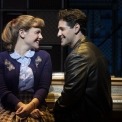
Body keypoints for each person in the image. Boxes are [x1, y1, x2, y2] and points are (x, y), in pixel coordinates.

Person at [53, 9, 112, 122]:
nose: (58, 34)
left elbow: (70, 94)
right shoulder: (93, 49)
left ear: (76, 28)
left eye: (62, 29)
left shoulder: (78, 55)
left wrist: (56, 110)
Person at [0, 15, 54, 122]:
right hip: (10, 107)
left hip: (37, 107)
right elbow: (3, 91)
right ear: (22, 33)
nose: (41, 36)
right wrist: (23, 108)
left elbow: (43, 88)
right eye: (37, 32)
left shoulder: (44, 57)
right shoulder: (2, 58)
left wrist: (30, 107)